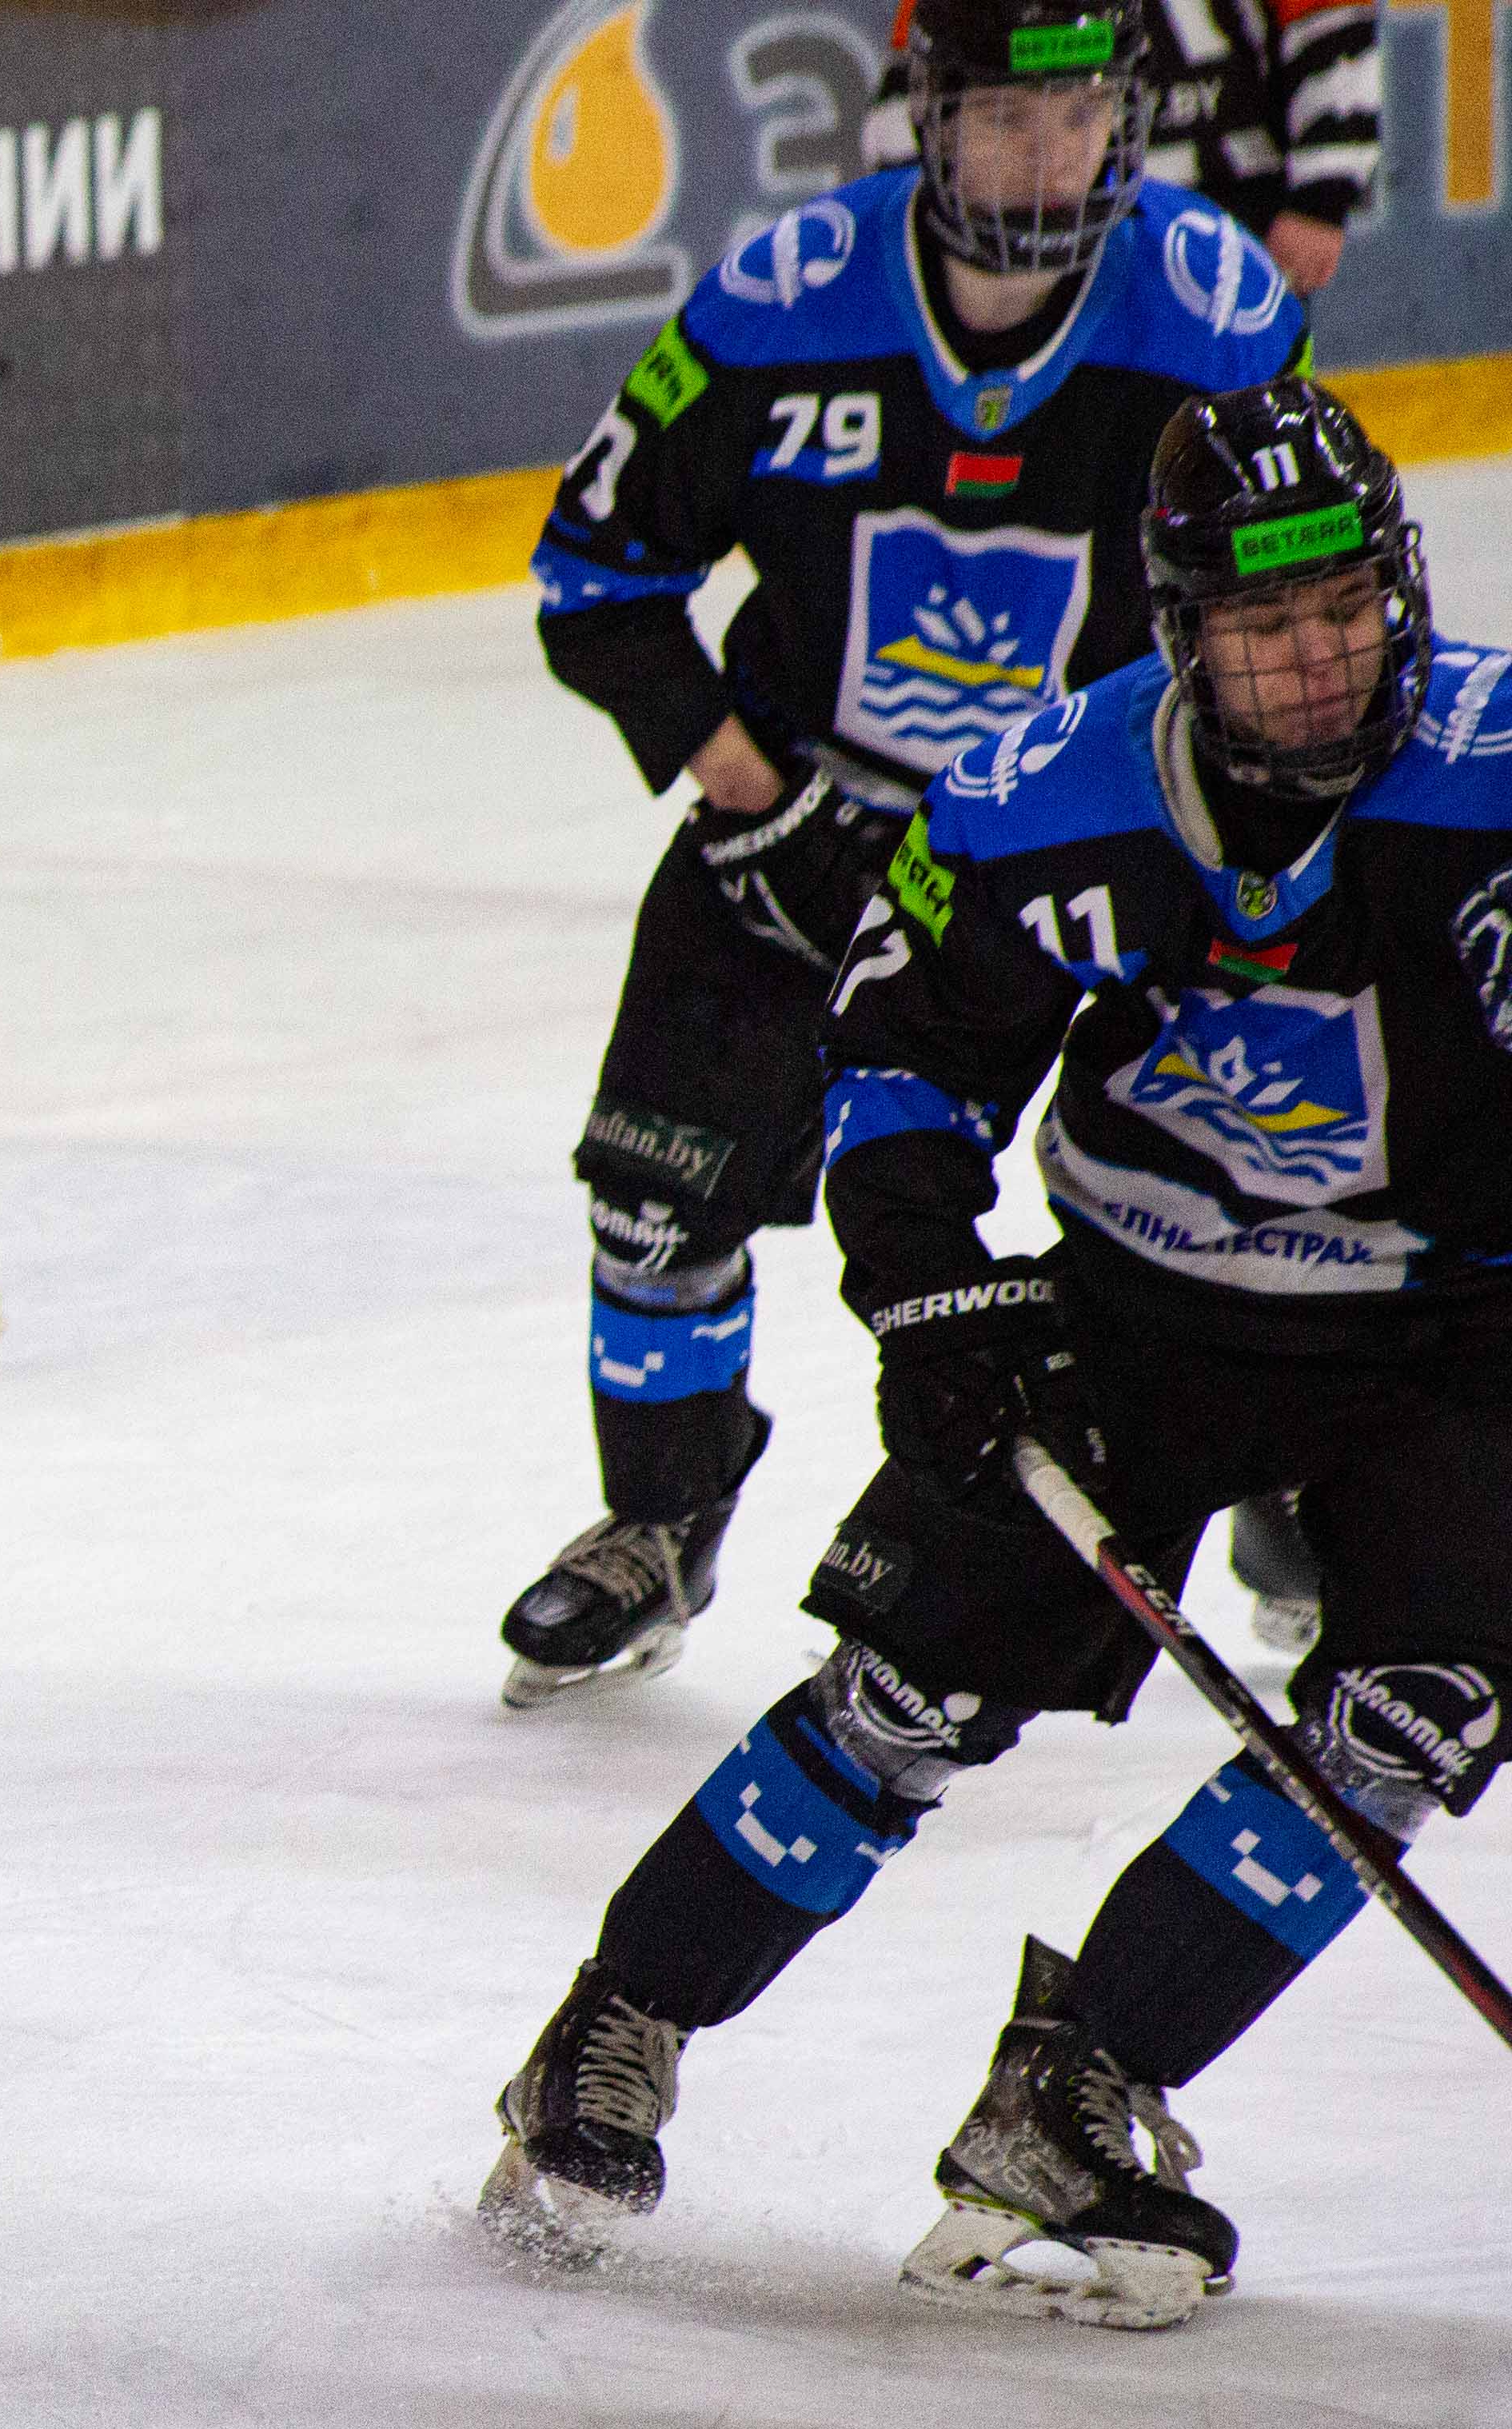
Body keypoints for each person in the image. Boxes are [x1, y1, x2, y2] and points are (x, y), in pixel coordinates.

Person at [479, 376, 1505, 2333]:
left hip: (1453, 1321)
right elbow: (896, 1061)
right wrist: (929, 1291)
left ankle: (1074, 2087)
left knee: (1412, 1710)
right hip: (1144, 1305)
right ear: (1180, 633)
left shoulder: (1495, 776)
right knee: (905, 1696)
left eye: (1346, 609)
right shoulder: (1042, 789)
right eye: (1265, 626)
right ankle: (616, 2024)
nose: (1318, 659)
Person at [498, 0, 1307, 1708]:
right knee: (657, 1193)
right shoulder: (783, 298)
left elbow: (1292, 611)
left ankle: (1301, 1500)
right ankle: (659, 1522)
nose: (1048, 156)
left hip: (1108, 833)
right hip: (811, 814)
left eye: (1081, 116)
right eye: (1007, 116)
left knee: (1270, 1187)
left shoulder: (1215, 313)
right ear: (928, 118)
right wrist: (753, 798)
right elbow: (596, 570)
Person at [872, 0, 1382, 297]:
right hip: (1060, 211)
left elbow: (1333, 33)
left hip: (1239, 208)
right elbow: (923, 85)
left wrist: (1321, 198)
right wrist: (923, 220)